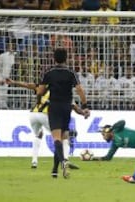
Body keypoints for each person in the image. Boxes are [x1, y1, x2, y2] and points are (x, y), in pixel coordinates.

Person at [6, 78, 85, 170]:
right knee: (64, 136)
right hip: (46, 115)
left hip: (33, 114)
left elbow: (27, 85)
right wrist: (84, 113)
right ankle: (65, 160)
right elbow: (75, 108)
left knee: (38, 135)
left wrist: (13, 82)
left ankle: (34, 162)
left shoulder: (43, 87)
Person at [37, 48, 90, 179]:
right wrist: (85, 106)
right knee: (63, 137)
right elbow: (80, 90)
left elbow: (40, 91)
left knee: (56, 138)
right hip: (67, 107)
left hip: (54, 106)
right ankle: (54, 170)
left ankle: (63, 162)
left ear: (54, 58)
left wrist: (39, 100)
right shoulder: (71, 73)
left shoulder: (49, 72)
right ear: (66, 58)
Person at [0, 43, 15, 109]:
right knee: (2, 94)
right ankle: (1, 108)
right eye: (10, 46)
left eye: (12, 46)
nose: (11, 48)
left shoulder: (16, 56)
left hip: (14, 79)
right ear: (7, 47)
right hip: (4, 78)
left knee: (12, 93)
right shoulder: (2, 56)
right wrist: (1, 78)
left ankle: (12, 107)